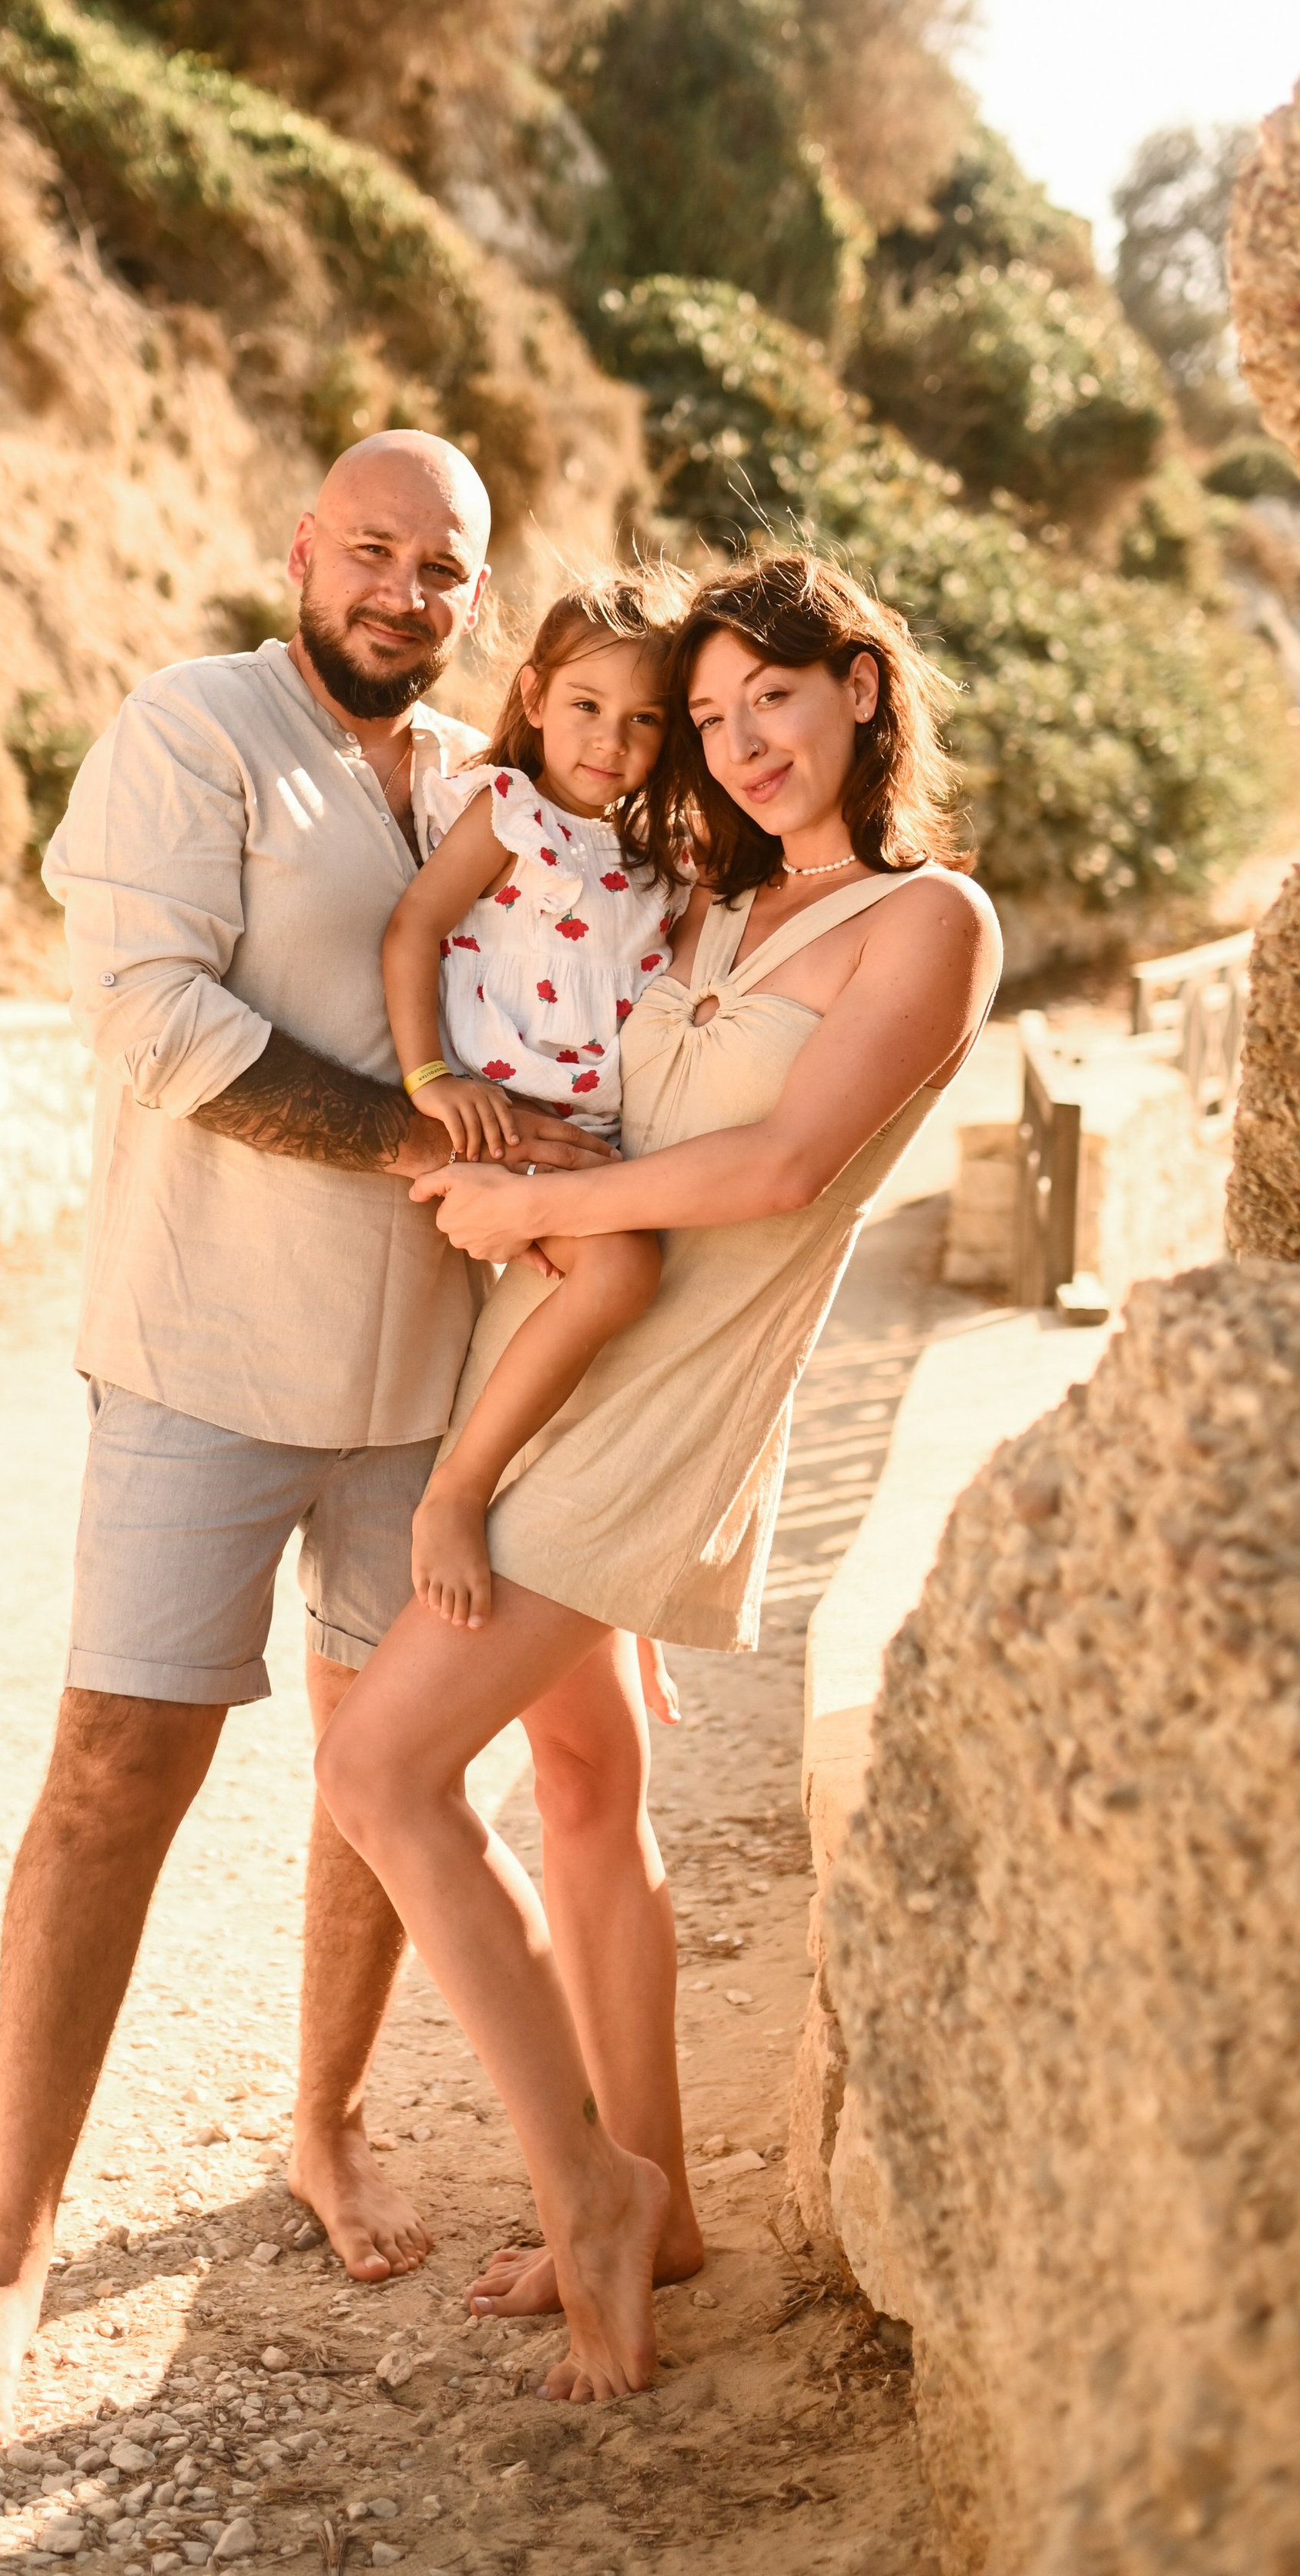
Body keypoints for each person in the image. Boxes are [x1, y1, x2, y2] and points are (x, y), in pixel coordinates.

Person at [0, 431, 612, 2447]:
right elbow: (154, 1019)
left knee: (381, 1777)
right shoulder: (194, 724)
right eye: (372, 550)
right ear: (306, 550)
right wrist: (423, 1135)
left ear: (477, 592)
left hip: (426, 1386)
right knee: (116, 1774)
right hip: (201, 1357)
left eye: (441, 566)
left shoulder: (495, 771)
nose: (403, 589)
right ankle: (9, 2255)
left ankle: (324, 2122)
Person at [314, 548, 1002, 2403]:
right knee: (583, 1781)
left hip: (664, 1409)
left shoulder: (922, 919)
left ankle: (589, 2191)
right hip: (561, 1363)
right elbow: (550, 989)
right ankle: (668, 2200)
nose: (736, 741)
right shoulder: (705, 899)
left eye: (765, 697)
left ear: (857, 684)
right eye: (706, 717)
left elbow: (779, 1167)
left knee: (375, 1762)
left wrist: (543, 1205)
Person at [382, 579, 687, 1626]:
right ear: (536, 695)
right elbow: (413, 928)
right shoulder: (506, 811)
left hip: (592, 1137)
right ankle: (455, 1496)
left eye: (647, 720)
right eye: (589, 707)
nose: (613, 739)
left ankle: (605, 1581)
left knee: (642, 1283)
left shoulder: (654, 856)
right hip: (501, 1122)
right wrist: (432, 1080)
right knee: (624, 1269)